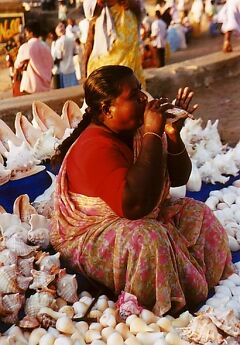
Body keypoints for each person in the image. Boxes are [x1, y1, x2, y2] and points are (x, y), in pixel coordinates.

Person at [50, 65, 233, 316]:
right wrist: (151, 134)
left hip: (135, 217)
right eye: (133, 95)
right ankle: (157, 308)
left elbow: (180, 177)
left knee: (197, 213)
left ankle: (204, 286)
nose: (144, 99)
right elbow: (134, 206)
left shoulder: (135, 133)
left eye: (141, 91)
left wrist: (171, 134)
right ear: (107, 109)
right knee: (148, 239)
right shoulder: (94, 146)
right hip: (91, 233)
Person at [82, 0, 145, 87]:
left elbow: (140, 9)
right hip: (106, 43)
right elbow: (90, 11)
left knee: (130, 82)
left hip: (129, 39)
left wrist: (130, 2)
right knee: (106, 84)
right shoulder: (97, 18)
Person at [14, 21, 53, 95]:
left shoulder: (26, 47)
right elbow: (51, 64)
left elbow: (17, 65)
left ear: (31, 33)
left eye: (26, 32)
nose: (25, 35)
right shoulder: (46, 47)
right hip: (45, 88)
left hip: (30, 88)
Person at [52, 22, 79, 88]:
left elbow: (59, 56)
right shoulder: (71, 39)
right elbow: (75, 52)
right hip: (71, 68)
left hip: (63, 70)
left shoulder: (58, 42)